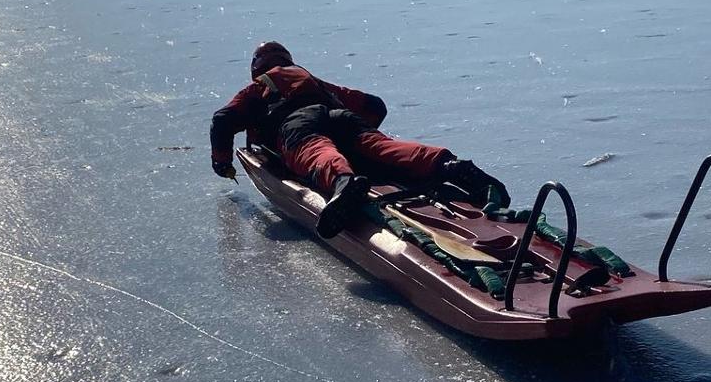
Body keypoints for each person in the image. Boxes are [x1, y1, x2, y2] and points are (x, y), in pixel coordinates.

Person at [210, 41, 510, 238]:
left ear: (256, 69)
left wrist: (221, 162)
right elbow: (374, 105)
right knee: (383, 147)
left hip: (297, 125)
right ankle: (450, 165)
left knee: (316, 151)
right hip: (339, 115)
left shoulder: (258, 88)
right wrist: (358, 138)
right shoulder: (314, 81)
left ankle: (344, 183)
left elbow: (223, 120)